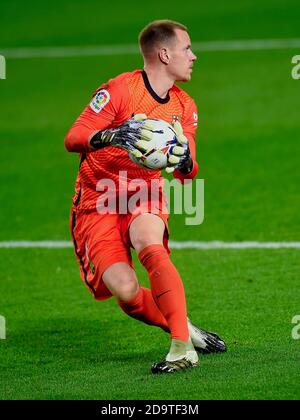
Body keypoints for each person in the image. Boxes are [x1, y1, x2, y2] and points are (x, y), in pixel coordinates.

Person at [65, 19, 226, 374]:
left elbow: (189, 171)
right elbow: (74, 137)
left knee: (148, 242)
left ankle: (181, 348)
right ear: (164, 53)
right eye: (187, 49)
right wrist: (110, 136)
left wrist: (185, 160)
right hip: (98, 199)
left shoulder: (184, 106)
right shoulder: (120, 90)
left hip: (144, 190)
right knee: (125, 291)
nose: (193, 56)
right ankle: (183, 326)